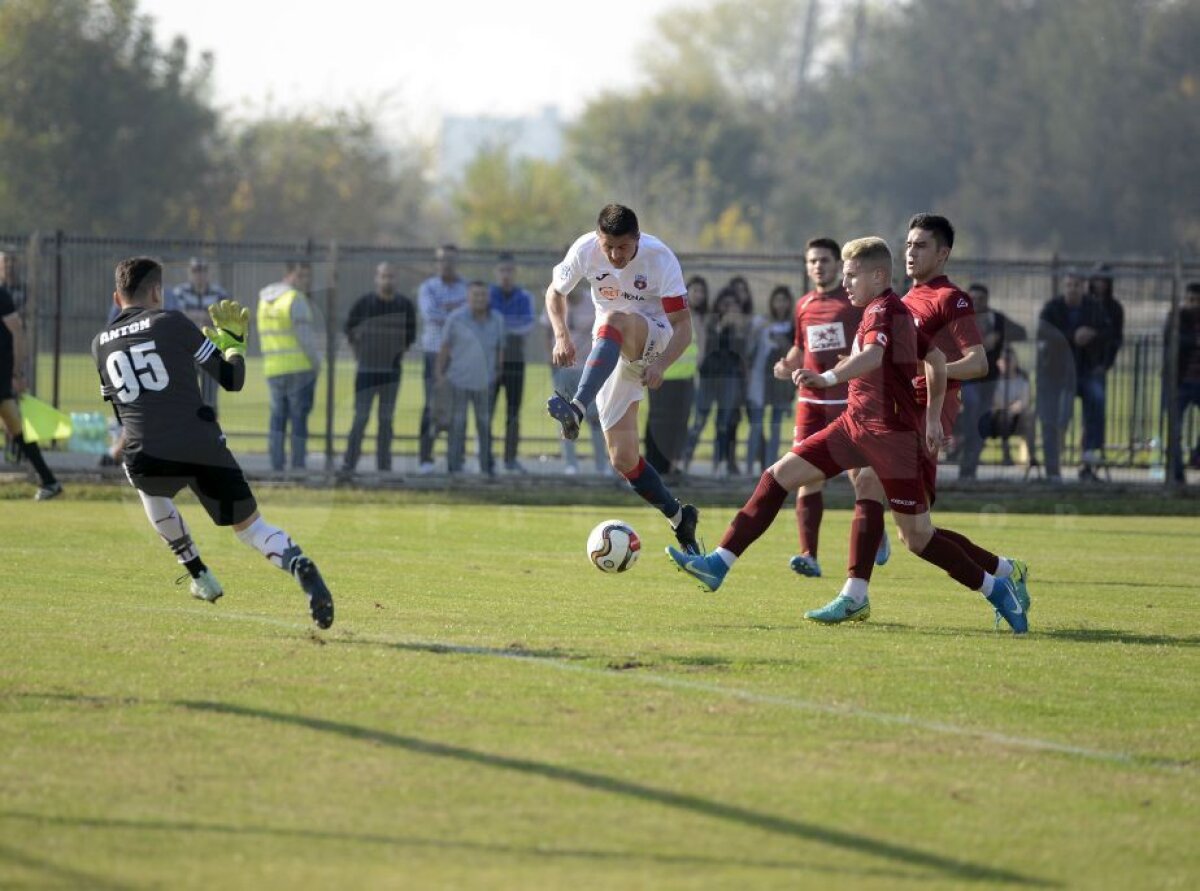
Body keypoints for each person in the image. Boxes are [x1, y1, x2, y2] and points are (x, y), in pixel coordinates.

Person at [666, 237, 1031, 633]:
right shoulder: (889, 308)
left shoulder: (883, 310)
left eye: (852, 274)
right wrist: (930, 415)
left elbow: (876, 356)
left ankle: (997, 587)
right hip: (854, 426)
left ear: (878, 275)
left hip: (892, 440)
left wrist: (827, 377)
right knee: (777, 476)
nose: (845, 281)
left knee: (919, 538)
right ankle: (718, 563)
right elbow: (936, 361)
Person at [92, 257, 333, 628]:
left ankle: (198, 573)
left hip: (146, 450)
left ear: (116, 296)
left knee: (146, 487)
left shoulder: (99, 345)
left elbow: (124, 412)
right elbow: (231, 379)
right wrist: (235, 345)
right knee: (252, 529)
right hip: (199, 443)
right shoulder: (171, 321)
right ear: (157, 291)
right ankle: (298, 562)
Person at [545, 204, 701, 554]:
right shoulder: (585, 249)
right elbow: (555, 292)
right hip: (612, 351)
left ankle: (578, 408)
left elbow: (683, 327)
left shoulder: (659, 258)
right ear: (598, 239)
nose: (614, 255)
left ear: (637, 239)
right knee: (624, 459)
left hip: (653, 336)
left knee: (614, 318)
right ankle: (680, 517)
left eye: (623, 248)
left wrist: (661, 364)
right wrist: (561, 335)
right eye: (608, 247)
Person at [774, 237, 887, 583]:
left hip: (845, 400)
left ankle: (876, 531)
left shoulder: (853, 303)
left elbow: (869, 345)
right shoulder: (804, 305)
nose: (818, 266)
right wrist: (786, 364)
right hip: (809, 403)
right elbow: (800, 347)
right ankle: (809, 554)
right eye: (813, 261)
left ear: (838, 265)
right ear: (807, 267)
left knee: (860, 477)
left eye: (824, 260)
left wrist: (849, 364)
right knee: (808, 476)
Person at [341, 261, 417, 475]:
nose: (387, 280)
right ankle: (349, 464)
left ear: (397, 278)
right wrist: (360, 353)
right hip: (366, 371)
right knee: (361, 417)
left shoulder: (405, 306)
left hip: (391, 372)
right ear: (377, 278)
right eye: (383, 276)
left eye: (391, 276)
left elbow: (410, 337)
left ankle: (384, 466)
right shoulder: (364, 304)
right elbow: (349, 331)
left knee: (386, 420)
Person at [1036, 270, 1110, 482]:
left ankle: (1089, 451)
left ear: (1084, 286)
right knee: (1054, 419)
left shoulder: (1094, 308)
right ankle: (1053, 469)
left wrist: (1091, 334)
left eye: (1077, 285)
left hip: (1083, 371)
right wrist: (1072, 336)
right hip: (1054, 373)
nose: (1072, 289)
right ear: (1064, 286)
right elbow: (1043, 330)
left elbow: (1108, 332)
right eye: (1069, 285)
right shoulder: (1053, 308)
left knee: (1097, 398)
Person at [0, 274, 62, 500]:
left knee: (15, 426)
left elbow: (16, 331)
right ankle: (49, 481)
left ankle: (50, 481)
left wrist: (17, 372)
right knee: (15, 428)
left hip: (2, 371)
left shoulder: (1, 294)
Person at [956, 282, 1026, 479]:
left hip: (989, 380)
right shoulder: (960, 319)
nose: (976, 302)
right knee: (973, 410)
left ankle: (969, 470)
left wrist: (1001, 336)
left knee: (981, 424)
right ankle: (965, 459)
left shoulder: (996, 319)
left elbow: (1022, 332)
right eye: (973, 298)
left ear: (987, 300)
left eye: (980, 299)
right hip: (967, 378)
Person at [257, 261, 319, 472]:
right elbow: (306, 340)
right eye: (302, 276)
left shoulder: (264, 301)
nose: (306, 281)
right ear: (291, 275)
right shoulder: (295, 299)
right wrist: (316, 364)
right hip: (299, 368)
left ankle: (277, 465)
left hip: (274, 368)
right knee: (298, 419)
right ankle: (298, 466)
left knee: (277, 418)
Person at [541, 285, 609, 474]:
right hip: (563, 369)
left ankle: (602, 466)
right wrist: (551, 360)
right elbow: (546, 332)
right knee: (565, 418)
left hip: (589, 370)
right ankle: (571, 464)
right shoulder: (554, 298)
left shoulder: (593, 301)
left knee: (595, 418)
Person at [682, 287, 749, 477]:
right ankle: (684, 462)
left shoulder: (740, 326)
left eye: (733, 305)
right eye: (725, 304)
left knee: (723, 423)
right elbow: (706, 348)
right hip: (708, 378)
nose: (729, 309)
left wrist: (735, 329)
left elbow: (741, 353)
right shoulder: (708, 321)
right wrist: (720, 328)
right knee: (699, 421)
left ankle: (717, 466)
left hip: (729, 378)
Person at [438, 281, 503, 476]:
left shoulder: (497, 319)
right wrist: (440, 375)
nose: (480, 299)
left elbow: (501, 349)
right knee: (457, 424)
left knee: (484, 425)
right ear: (468, 297)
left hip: (485, 383)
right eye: (475, 295)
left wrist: (497, 372)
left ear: (488, 297)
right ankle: (455, 466)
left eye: (483, 295)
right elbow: (444, 348)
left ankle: (486, 467)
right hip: (458, 381)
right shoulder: (455, 318)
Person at [417, 244, 469, 473]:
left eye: (451, 259)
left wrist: (446, 309)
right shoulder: (427, 287)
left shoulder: (466, 287)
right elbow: (430, 315)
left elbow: (466, 317)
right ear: (436, 263)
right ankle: (426, 459)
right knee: (432, 405)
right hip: (433, 353)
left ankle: (456, 461)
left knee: (459, 408)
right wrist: (454, 309)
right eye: (442, 260)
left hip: (458, 356)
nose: (446, 264)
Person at [489, 253, 535, 473]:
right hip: (489, 360)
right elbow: (486, 325)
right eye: (502, 271)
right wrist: (506, 329)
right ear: (496, 273)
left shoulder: (525, 297)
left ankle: (510, 458)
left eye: (509, 271)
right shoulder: (488, 295)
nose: (506, 275)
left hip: (516, 360)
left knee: (513, 411)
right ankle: (485, 458)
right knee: (486, 410)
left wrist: (500, 329)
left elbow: (527, 326)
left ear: (514, 273)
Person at [166, 258, 230, 415]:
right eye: (195, 271)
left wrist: (192, 316)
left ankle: (211, 435)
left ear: (208, 273)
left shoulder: (219, 293)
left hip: (211, 351)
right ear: (190, 272)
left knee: (210, 401)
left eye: (202, 271)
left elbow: (224, 319)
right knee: (187, 397)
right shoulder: (179, 292)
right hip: (186, 353)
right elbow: (176, 317)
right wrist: (206, 316)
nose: (199, 275)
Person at [745, 285, 795, 475]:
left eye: (784, 300)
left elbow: (795, 350)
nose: (780, 304)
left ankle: (771, 469)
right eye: (777, 300)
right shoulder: (762, 322)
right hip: (760, 381)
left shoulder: (792, 326)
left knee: (776, 428)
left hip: (781, 383)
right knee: (756, 426)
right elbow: (750, 351)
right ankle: (749, 469)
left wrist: (782, 338)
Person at [1164, 282, 1200, 482]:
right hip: (1181, 381)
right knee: (1174, 430)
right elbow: (1174, 340)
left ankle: (1196, 455)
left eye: (1196, 301)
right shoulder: (1177, 317)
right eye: (1189, 300)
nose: (1192, 305)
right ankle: (1177, 475)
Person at [981, 348, 1036, 468]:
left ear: (1015, 362)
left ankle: (1032, 456)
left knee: (1029, 415)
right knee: (1003, 417)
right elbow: (994, 402)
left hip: (1018, 417)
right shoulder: (994, 381)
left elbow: (1024, 401)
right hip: (998, 419)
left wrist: (1013, 408)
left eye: (1009, 360)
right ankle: (1006, 456)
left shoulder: (1022, 379)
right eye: (1003, 360)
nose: (1006, 363)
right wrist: (1007, 408)